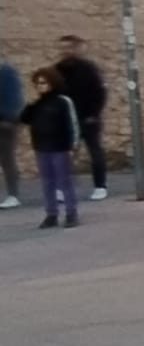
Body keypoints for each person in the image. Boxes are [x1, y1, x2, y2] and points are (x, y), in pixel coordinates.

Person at [20, 66, 80, 228]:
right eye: (38, 83)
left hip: (60, 147)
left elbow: (72, 124)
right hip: (42, 147)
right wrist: (31, 104)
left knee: (64, 182)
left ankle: (71, 213)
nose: (40, 86)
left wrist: (72, 146)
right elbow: (24, 119)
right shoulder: (38, 104)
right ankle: (51, 214)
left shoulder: (63, 102)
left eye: (43, 83)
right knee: (47, 183)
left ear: (52, 83)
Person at [56, 35, 108, 200]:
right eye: (63, 48)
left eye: (69, 47)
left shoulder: (88, 69)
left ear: (77, 48)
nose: (65, 51)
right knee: (66, 155)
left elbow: (100, 93)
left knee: (95, 151)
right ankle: (63, 187)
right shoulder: (57, 70)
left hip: (88, 118)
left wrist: (94, 114)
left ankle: (100, 186)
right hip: (67, 119)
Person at [0, 55, 22, 209]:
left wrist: (9, 118)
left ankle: (13, 195)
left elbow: (14, 98)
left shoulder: (7, 72)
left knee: (7, 158)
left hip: (5, 122)